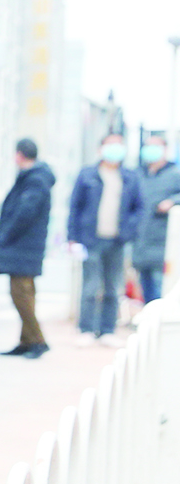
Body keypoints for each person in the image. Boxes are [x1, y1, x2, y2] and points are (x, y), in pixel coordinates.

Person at [67, 133, 147, 345]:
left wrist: (128, 231)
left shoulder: (130, 177)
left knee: (113, 287)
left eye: (119, 145)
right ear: (100, 148)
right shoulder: (87, 175)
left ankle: (107, 330)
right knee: (90, 286)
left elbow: (139, 208)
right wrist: (72, 237)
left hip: (117, 241)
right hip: (90, 239)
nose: (115, 149)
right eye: (110, 145)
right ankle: (86, 329)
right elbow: (75, 207)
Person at [0, 137, 55, 357]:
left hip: (24, 246)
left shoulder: (35, 179)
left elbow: (25, 213)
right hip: (26, 246)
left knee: (21, 294)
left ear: (19, 155)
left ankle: (37, 340)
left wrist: (7, 235)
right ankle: (26, 340)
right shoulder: (35, 177)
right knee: (25, 293)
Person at [134, 133, 178, 304]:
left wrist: (172, 202)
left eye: (156, 146)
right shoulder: (138, 174)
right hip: (141, 241)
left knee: (161, 289)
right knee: (145, 288)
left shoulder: (175, 174)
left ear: (165, 149)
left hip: (164, 242)